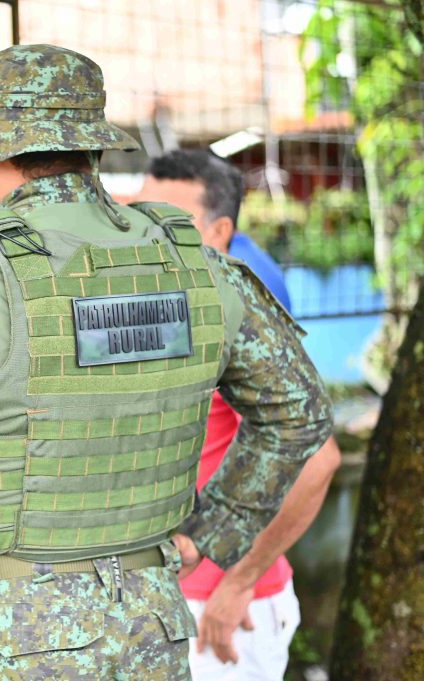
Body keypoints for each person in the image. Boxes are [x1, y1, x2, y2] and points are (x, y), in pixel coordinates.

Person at [0, 44, 332, 680]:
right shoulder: (200, 271)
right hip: (154, 633)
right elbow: (301, 413)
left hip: (7, 638)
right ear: (94, 151)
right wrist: (212, 533)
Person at [137, 148, 342, 680]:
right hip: (166, 597)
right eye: (139, 216)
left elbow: (319, 462)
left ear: (218, 230)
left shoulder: (231, 312)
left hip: (227, 612)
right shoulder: (162, 303)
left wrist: (239, 581)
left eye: (168, 222)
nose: (146, 235)